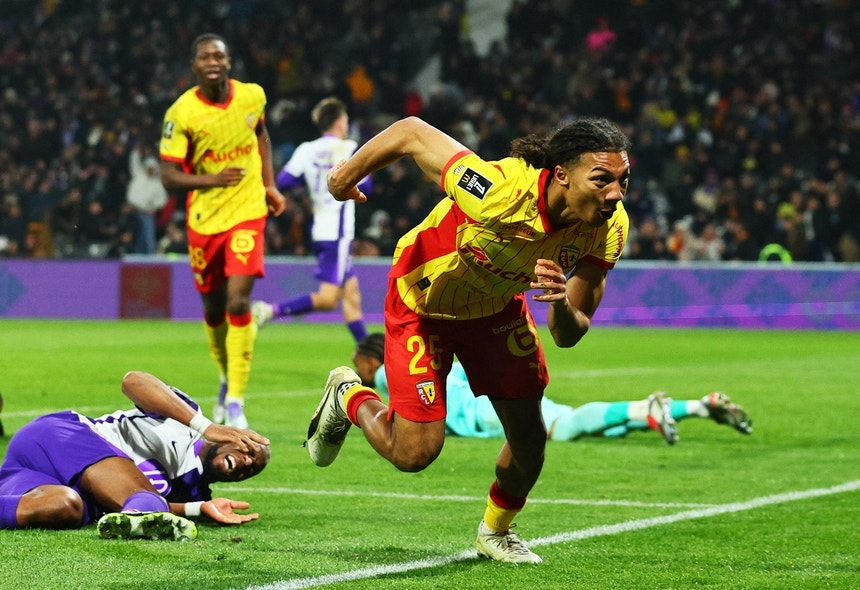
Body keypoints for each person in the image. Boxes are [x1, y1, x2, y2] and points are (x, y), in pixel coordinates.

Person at [306, 115, 632, 564]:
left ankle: (496, 532)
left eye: (623, 180)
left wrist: (558, 303)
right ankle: (349, 395)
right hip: (422, 302)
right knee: (415, 453)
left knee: (529, 438)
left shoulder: (609, 227)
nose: (615, 193)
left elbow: (568, 333)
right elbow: (412, 132)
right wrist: (346, 175)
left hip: (495, 308)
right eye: (602, 180)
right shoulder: (502, 190)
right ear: (561, 174)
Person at [160, 33, 287, 429]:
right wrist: (213, 178)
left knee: (237, 302)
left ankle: (235, 401)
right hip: (204, 221)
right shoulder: (181, 114)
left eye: (219, 54)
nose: (213, 61)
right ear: (194, 66)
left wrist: (268, 184)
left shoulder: (253, 96)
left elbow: (261, 136)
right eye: (205, 56)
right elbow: (168, 176)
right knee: (214, 309)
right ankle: (225, 375)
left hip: (248, 213)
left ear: (229, 61)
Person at [0, 371, 271, 541]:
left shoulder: (193, 490)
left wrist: (198, 508)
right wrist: (206, 426)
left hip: (51, 483)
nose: (247, 463)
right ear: (233, 436)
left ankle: (135, 516)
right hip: (62, 439)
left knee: (64, 507)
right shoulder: (185, 417)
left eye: (252, 469)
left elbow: (163, 511)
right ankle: (137, 516)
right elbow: (133, 381)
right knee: (148, 499)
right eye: (249, 449)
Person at [352, 333, 753, 443]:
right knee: (596, 429)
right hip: (492, 400)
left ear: (372, 361)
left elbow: (406, 418)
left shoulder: (392, 373)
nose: (361, 371)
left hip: (485, 414)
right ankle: (698, 407)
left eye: (359, 365)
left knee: (568, 426)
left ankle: (645, 410)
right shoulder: (430, 359)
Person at [252, 97, 372, 344]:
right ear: (339, 122)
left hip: (320, 230)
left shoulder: (307, 149)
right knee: (328, 299)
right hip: (338, 234)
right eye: (346, 120)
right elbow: (367, 183)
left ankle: (373, 355)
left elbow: (284, 180)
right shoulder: (349, 148)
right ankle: (270, 311)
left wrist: (311, 185)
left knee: (352, 299)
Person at [126, 142, 169, 255]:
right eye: (149, 168)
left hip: (146, 213)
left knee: (148, 234)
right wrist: (135, 151)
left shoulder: (157, 184)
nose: (150, 171)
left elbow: (162, 200)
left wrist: (153, 208)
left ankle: (150, 255)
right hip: (133, 210)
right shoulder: (139, 175)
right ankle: (136, 254)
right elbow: (134, 162)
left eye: (152, 169)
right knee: (137, 234)